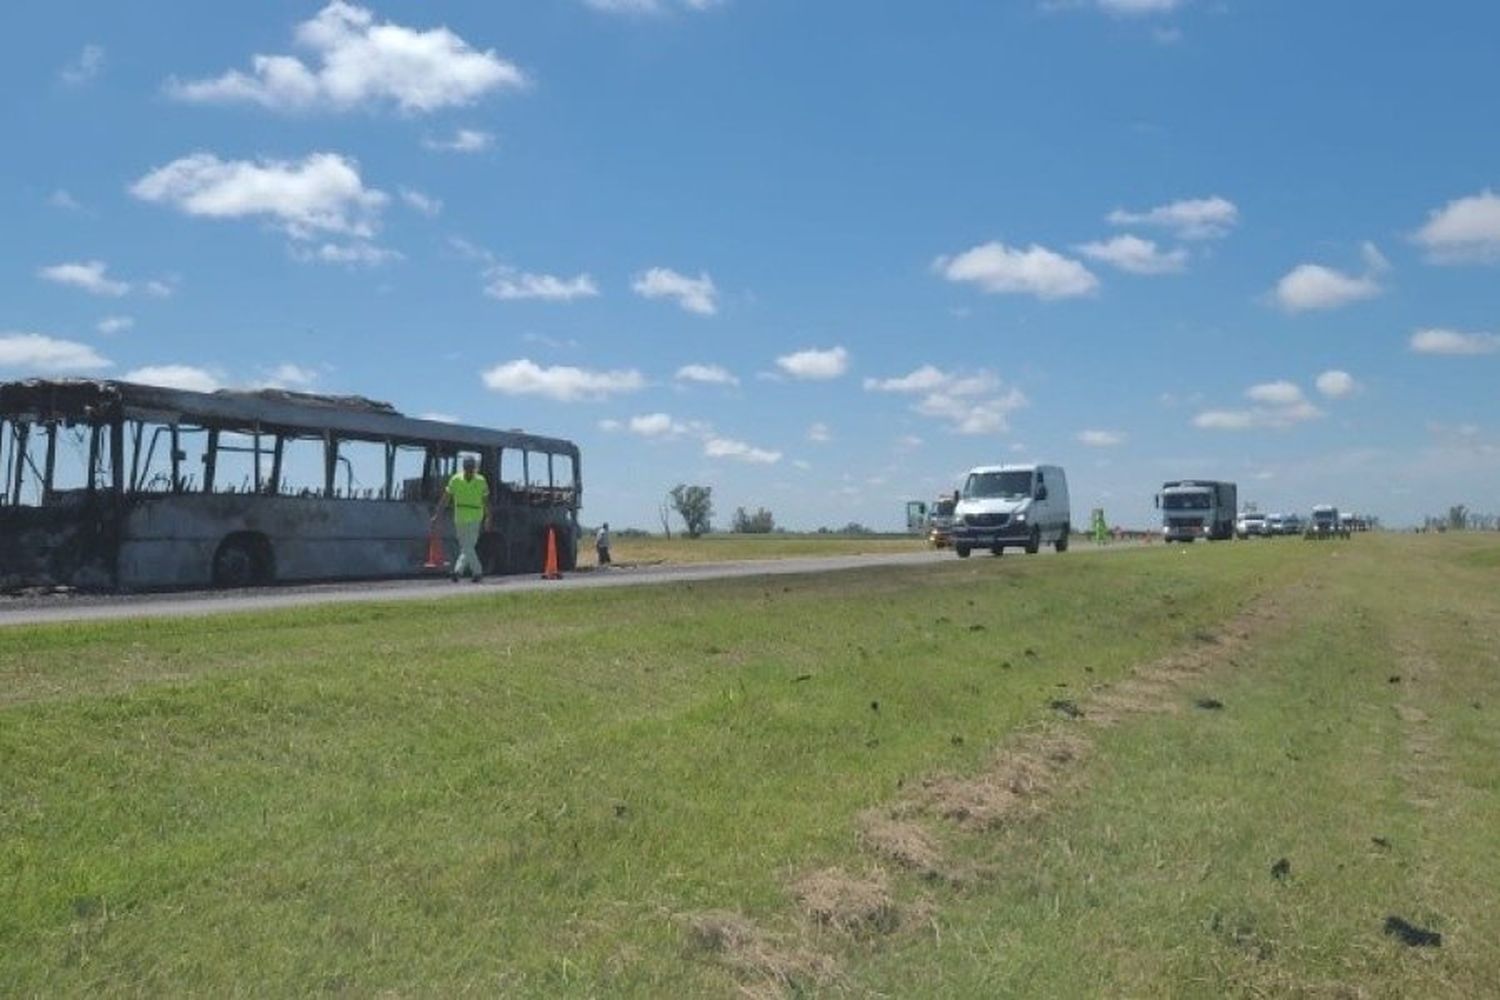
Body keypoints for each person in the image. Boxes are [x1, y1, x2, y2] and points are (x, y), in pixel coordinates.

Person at [432, 455, 491, 583]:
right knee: (466, 546)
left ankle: (465, 571)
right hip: (460, 517)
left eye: (471, 468)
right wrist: (438, 513)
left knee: (467, 545)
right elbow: (446, 498)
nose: (469, 470)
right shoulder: (456, 479)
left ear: (474, 468)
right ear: (464, 467)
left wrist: (488, 517)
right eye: (467, 467)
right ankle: (471, 572)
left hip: (476, 516)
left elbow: (486, 500)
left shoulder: (481, 480)